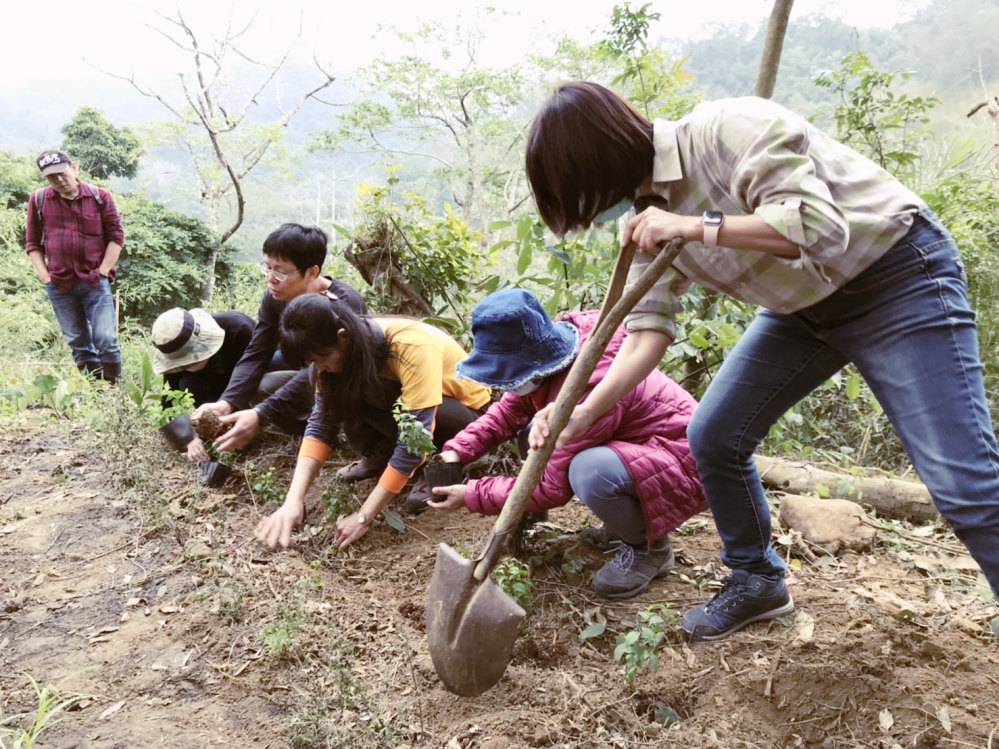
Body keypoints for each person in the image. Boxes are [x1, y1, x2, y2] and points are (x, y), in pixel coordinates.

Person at [524, 81, 999, 641]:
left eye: (582, 197)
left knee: (964, 485)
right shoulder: (647, 220)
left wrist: (692, 225)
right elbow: (646, 334)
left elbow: (819, 227)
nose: (596, 215)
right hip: (802, 311)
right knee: (716, 433)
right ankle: (757, 579)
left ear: (598, 163)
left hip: (895, 276)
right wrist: (578, 413)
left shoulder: (726, 131)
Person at [427, 289, 706, 599]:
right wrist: (458, 449)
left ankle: (649, 550)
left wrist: (472, 495)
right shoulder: (550, 363)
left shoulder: (585, 386)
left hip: (688, 460)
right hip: (645, 450)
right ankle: (623, 527)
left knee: (588, 472)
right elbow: (508, 412)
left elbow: (549, 489)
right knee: (543, 436)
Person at [254, 292, 492, 552]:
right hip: (410, 409)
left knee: (381, 393)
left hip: (466, 419)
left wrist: (363, 517)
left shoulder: (411, 347)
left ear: (343, 336)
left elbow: (415, 441)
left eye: (322, 359)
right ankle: (382, 455)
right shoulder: (344, 354)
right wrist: (293, 500)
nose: (320, 368)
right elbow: (322, 425)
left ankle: (439, 465)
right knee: (351, 389)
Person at [193, 223, 366, 451]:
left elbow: (326, 368)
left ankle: (331, 431)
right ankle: (311, 430)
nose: (271, 279)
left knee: (270, 390)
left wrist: (262, 413)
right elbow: (257, 352)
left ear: (312, 272)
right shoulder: (276, 297)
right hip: (304, 367)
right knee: (257, 383)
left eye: (281, 272)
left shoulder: (342, 304)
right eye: (268, 268)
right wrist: (227, 402)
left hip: (340, 377)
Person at [25, 150, 124, 382]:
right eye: (51, 177)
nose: (58, 180)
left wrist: (102, 271)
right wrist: (45, 277)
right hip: (59, 283)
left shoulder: (99, 197)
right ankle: (96, 391)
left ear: (74, 168)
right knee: (77, 341)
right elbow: (32, 243)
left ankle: (114, 389)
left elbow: (116, 237)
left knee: (106, 339)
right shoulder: (39, 200)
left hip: (94, 280)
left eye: (62, 173)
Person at [151, 307, 254, 460]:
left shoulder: (238, 330)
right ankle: (218, 431)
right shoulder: (174, 346)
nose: (187, 365)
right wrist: (188, 437)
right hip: (215, 394)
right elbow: (168, 406)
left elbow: (256, 371)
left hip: (251, 384)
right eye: (183, 363)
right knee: (189, 382)